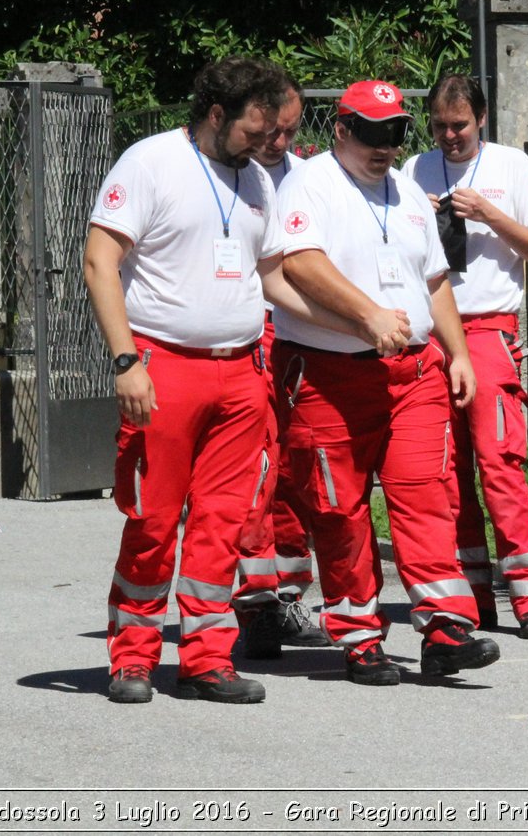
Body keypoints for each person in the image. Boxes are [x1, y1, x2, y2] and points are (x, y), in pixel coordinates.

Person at [85, 57, 377, 706]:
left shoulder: (258, 185)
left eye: (276, 130)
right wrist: (126, 359)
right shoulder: (150, 162)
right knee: (154, 521)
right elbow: (99, 260)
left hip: (241, 373)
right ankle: (132, 658)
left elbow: (272, 279)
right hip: (164, 368)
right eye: (258, 128)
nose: (269, 142)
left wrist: (347, 322)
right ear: (217, 114)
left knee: (222, 523)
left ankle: (206, 659)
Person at [274, 79, 500, 685]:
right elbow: (300, 262)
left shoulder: (406, 192)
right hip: (329, 374)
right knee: (339, 508)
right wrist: (367, 315)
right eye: (372, 133)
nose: (385, 146)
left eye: (396, 133)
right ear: (341, 129)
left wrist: (457, 352)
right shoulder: (309, 183)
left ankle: (446, 627)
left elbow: (433, 279)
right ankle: (359, 634)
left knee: (426, 490)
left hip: (414, 371)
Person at [402, 74, 528, 639]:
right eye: (440, 126)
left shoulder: (512, 166)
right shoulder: (413, 170)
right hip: (430, 333)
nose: (449, 136)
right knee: (446, 472)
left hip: (490, 329)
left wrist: (489, 214)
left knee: (500, 463)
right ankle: (469, 597)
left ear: (482, 119)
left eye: (460, 125)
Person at [233, 76, 331, 655]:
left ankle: (289, 597)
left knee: (295, 469)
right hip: (251, 331)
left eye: (291, 130)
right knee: (253, 473)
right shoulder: (229, 170)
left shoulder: (307, 176)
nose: (281, 140)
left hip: (301, 335)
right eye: (273, 129)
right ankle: (256, 603)